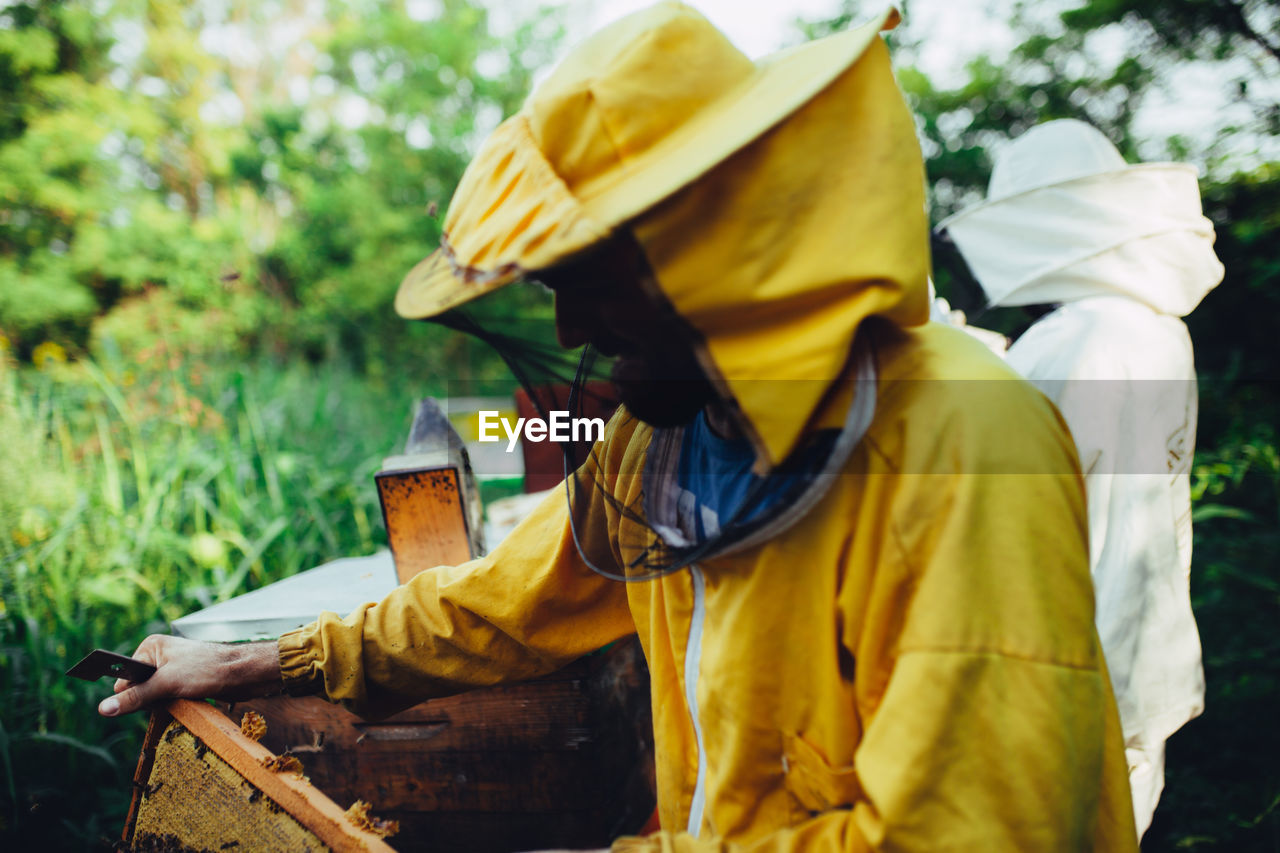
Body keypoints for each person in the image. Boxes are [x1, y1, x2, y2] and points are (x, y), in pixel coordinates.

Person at [100, 6, 1138, 850]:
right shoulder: (664, 435)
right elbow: (495, 604)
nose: (568, 328)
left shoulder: (961, 438)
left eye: (589, 283)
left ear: (710, 252)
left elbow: (969, 832)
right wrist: (251, 664)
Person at [939, 118, 1223, 837]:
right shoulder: (1154, 327)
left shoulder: (1078, 339)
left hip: (1057, 693)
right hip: (1136, 680)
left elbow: (994, 479)